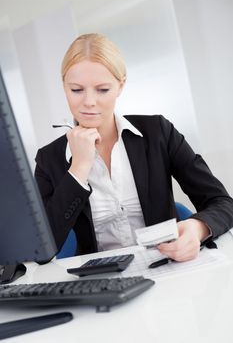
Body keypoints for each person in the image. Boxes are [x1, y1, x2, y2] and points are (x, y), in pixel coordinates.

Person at [35, 33, 233, 261]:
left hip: (168, 269)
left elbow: (222, 203)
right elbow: (43, 250)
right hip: (100, 284)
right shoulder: (48, 159)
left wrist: (198, 229)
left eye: (102, 89)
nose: (89, 101)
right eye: (77, 90)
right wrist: (78, 168)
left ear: (121, 86)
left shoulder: (158, 132)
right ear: (64, 87)